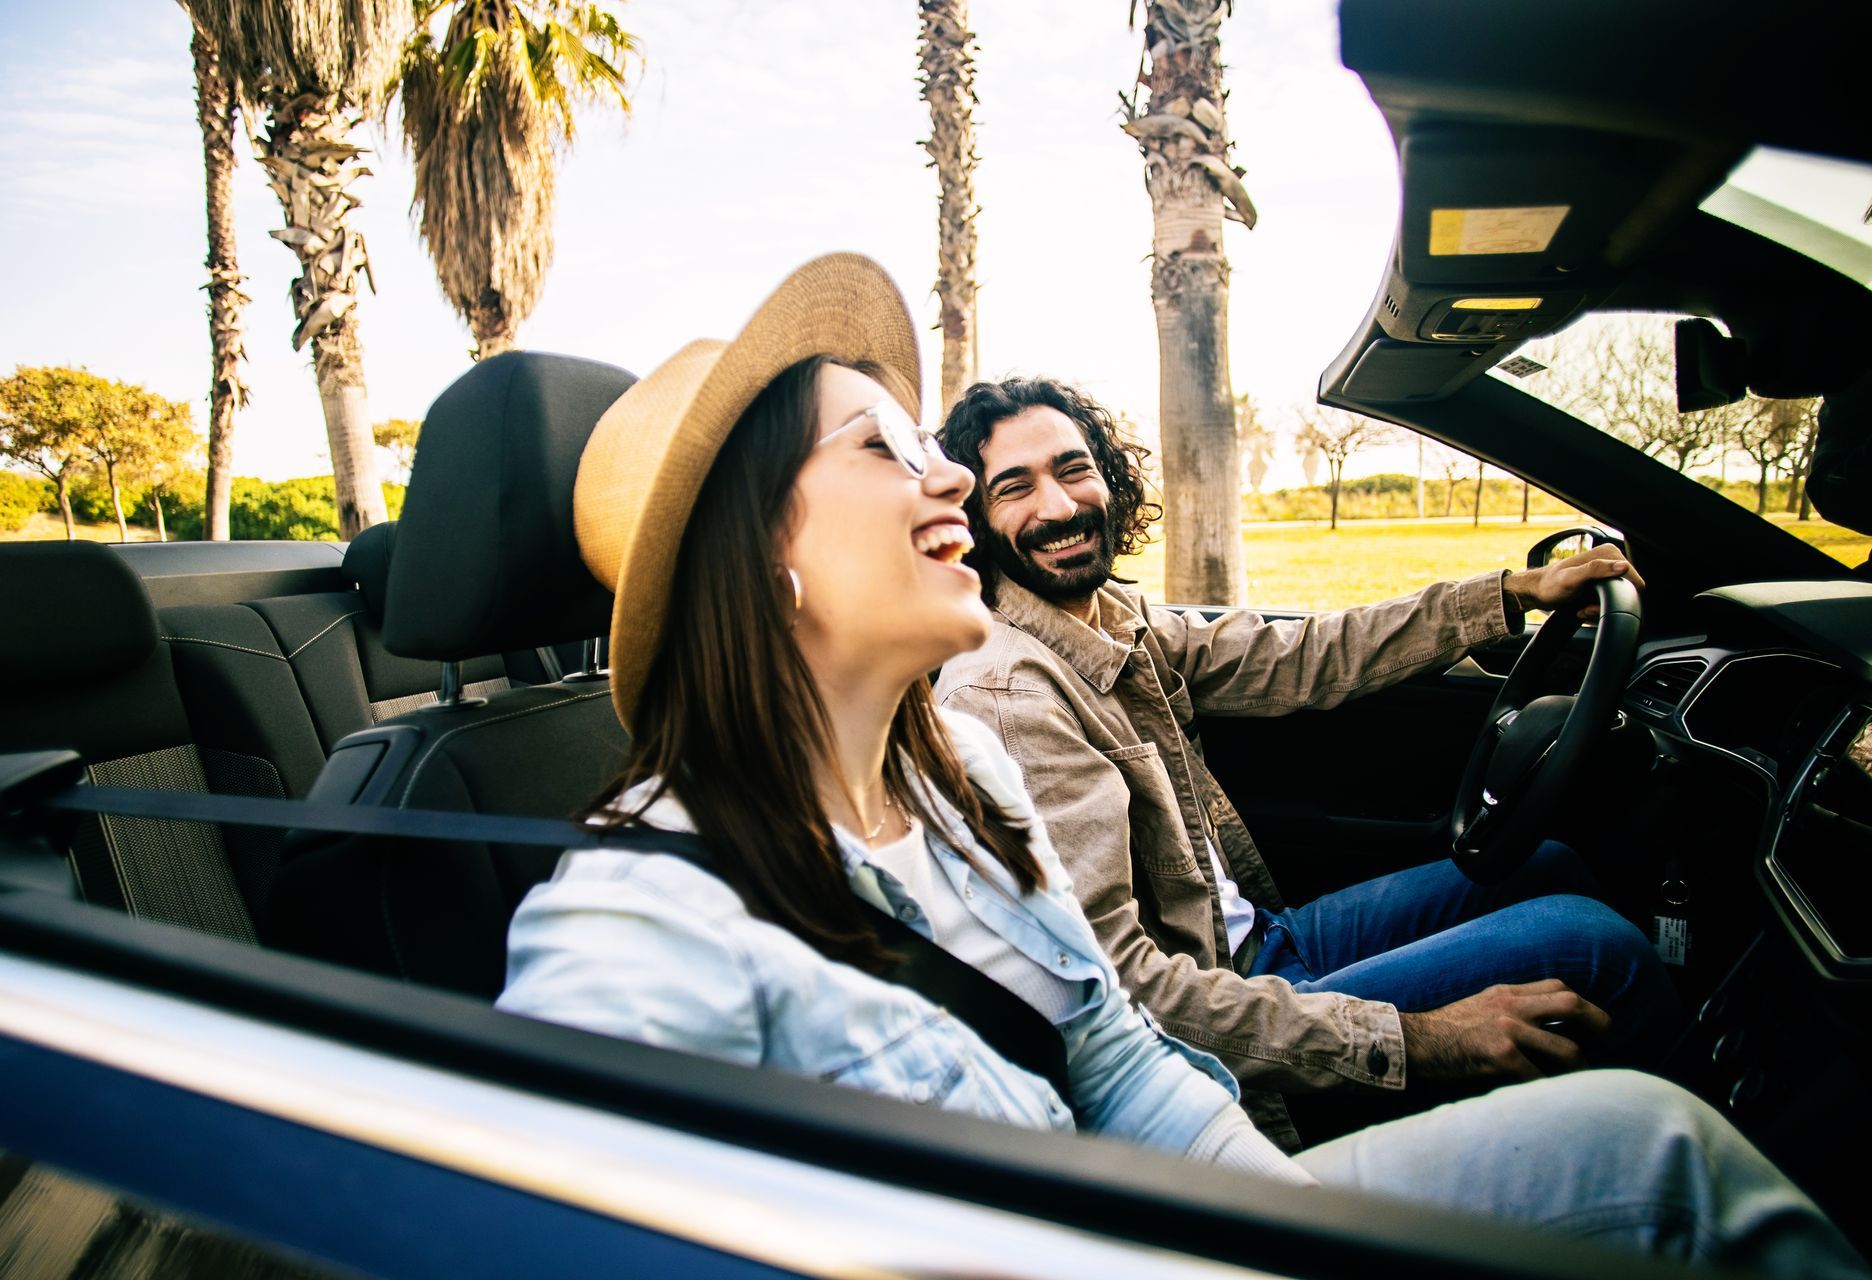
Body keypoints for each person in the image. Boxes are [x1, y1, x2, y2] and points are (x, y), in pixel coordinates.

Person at [496, 253, 1861, 1273]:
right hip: (1170, 1141)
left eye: (953, 453)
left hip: (1198, 1172)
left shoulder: (958, 767)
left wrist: (1285, 1209)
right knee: (1649, 1136)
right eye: (888, 451)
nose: (962, 486)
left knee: (1577, 941)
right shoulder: (639, 915)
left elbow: (1118, 1049)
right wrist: (1412, 1052)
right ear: (765, 555)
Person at [933, 376, 1683, 1146]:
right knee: (1596, 947)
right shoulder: (1008, 700)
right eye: (1015, 487)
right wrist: (1423, 1039)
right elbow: (1125, 997)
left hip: (1263, 942)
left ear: (1108, 478)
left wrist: (1512, 592)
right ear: (975, 521)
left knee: (1548, 865)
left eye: (1073, 468)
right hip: (1229, 1023)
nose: (1057, 506)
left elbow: (1303, 655)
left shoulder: (1114, 620)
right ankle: (1685, 1165)